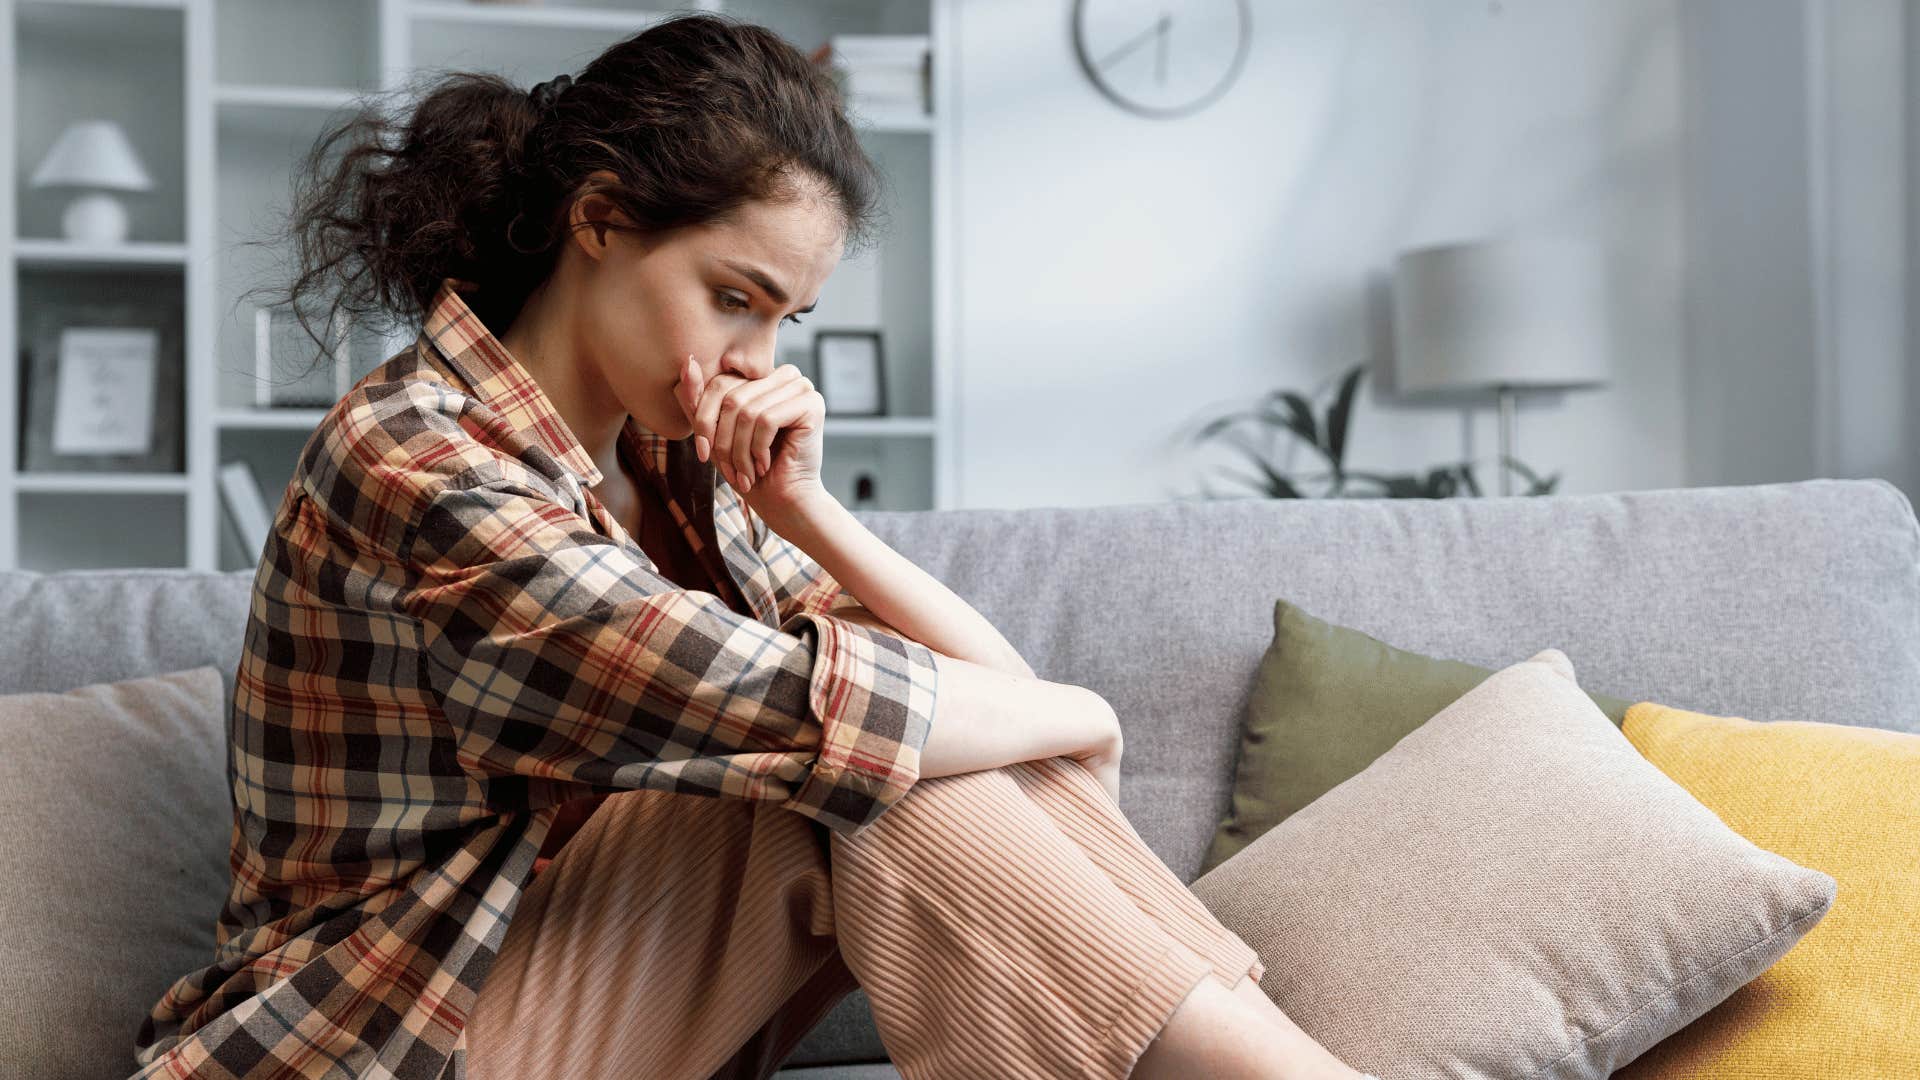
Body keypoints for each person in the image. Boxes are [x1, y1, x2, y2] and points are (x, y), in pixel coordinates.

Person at [130, 13, 1378, 1080]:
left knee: (885, 759)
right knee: (857, 768)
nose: (756, 363)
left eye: (786, 319)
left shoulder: (675, 461)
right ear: (601, 221)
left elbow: (980, 707)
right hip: (393, 1035)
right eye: (734, 297)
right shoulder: (418, 457)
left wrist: (806, 515)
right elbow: (814, 713)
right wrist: (1077, 713)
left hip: (574, 997)